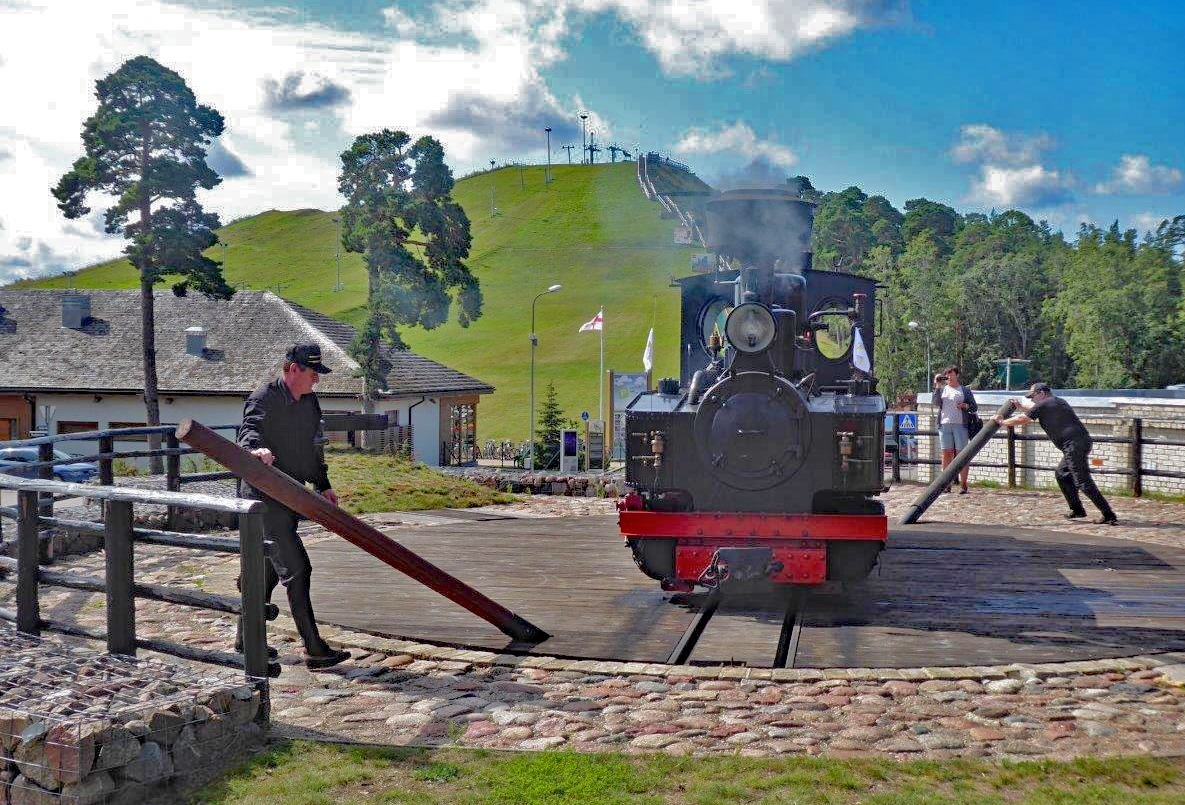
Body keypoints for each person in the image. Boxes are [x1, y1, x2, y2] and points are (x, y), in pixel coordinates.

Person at [236, 343, 352, 669]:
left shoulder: (310, 403)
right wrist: (257, 450)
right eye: (312, 373)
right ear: (293, 369)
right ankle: (313, 647)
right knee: (297, 569)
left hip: (290, 497)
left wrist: (323, 484)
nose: (316, 380)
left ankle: (245, 640)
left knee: (267, 572)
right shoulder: (264, 398)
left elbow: (312, 449)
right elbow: (249, 432)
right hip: (262, 498)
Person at [993, 383, 1118, 525]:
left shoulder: (1045, 404)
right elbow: (1035, 411)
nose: (1032, 400)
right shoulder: (1056, 402)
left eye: (1033, 396)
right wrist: (1021, 408)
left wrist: (1002, 422)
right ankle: (1077, 510)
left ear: (1042, 393)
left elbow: (1023, 419)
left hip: (1073, 446)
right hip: (1080, 443)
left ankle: (1108, 514)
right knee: (1062, 474)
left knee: (1083, 482)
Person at [932, 366, 978, 494]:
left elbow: (974, 407)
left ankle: (963, 484)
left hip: (960, 425)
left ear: (956, 375)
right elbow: (935, 402)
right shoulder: (942, 390)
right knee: (946, 453)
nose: (949, 377)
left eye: (951, 374)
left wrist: (965, 405)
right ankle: (946, 483)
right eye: (946, 375)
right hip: (944, 424)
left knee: (961, 454)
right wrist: (937, 385)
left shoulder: (964, 390)